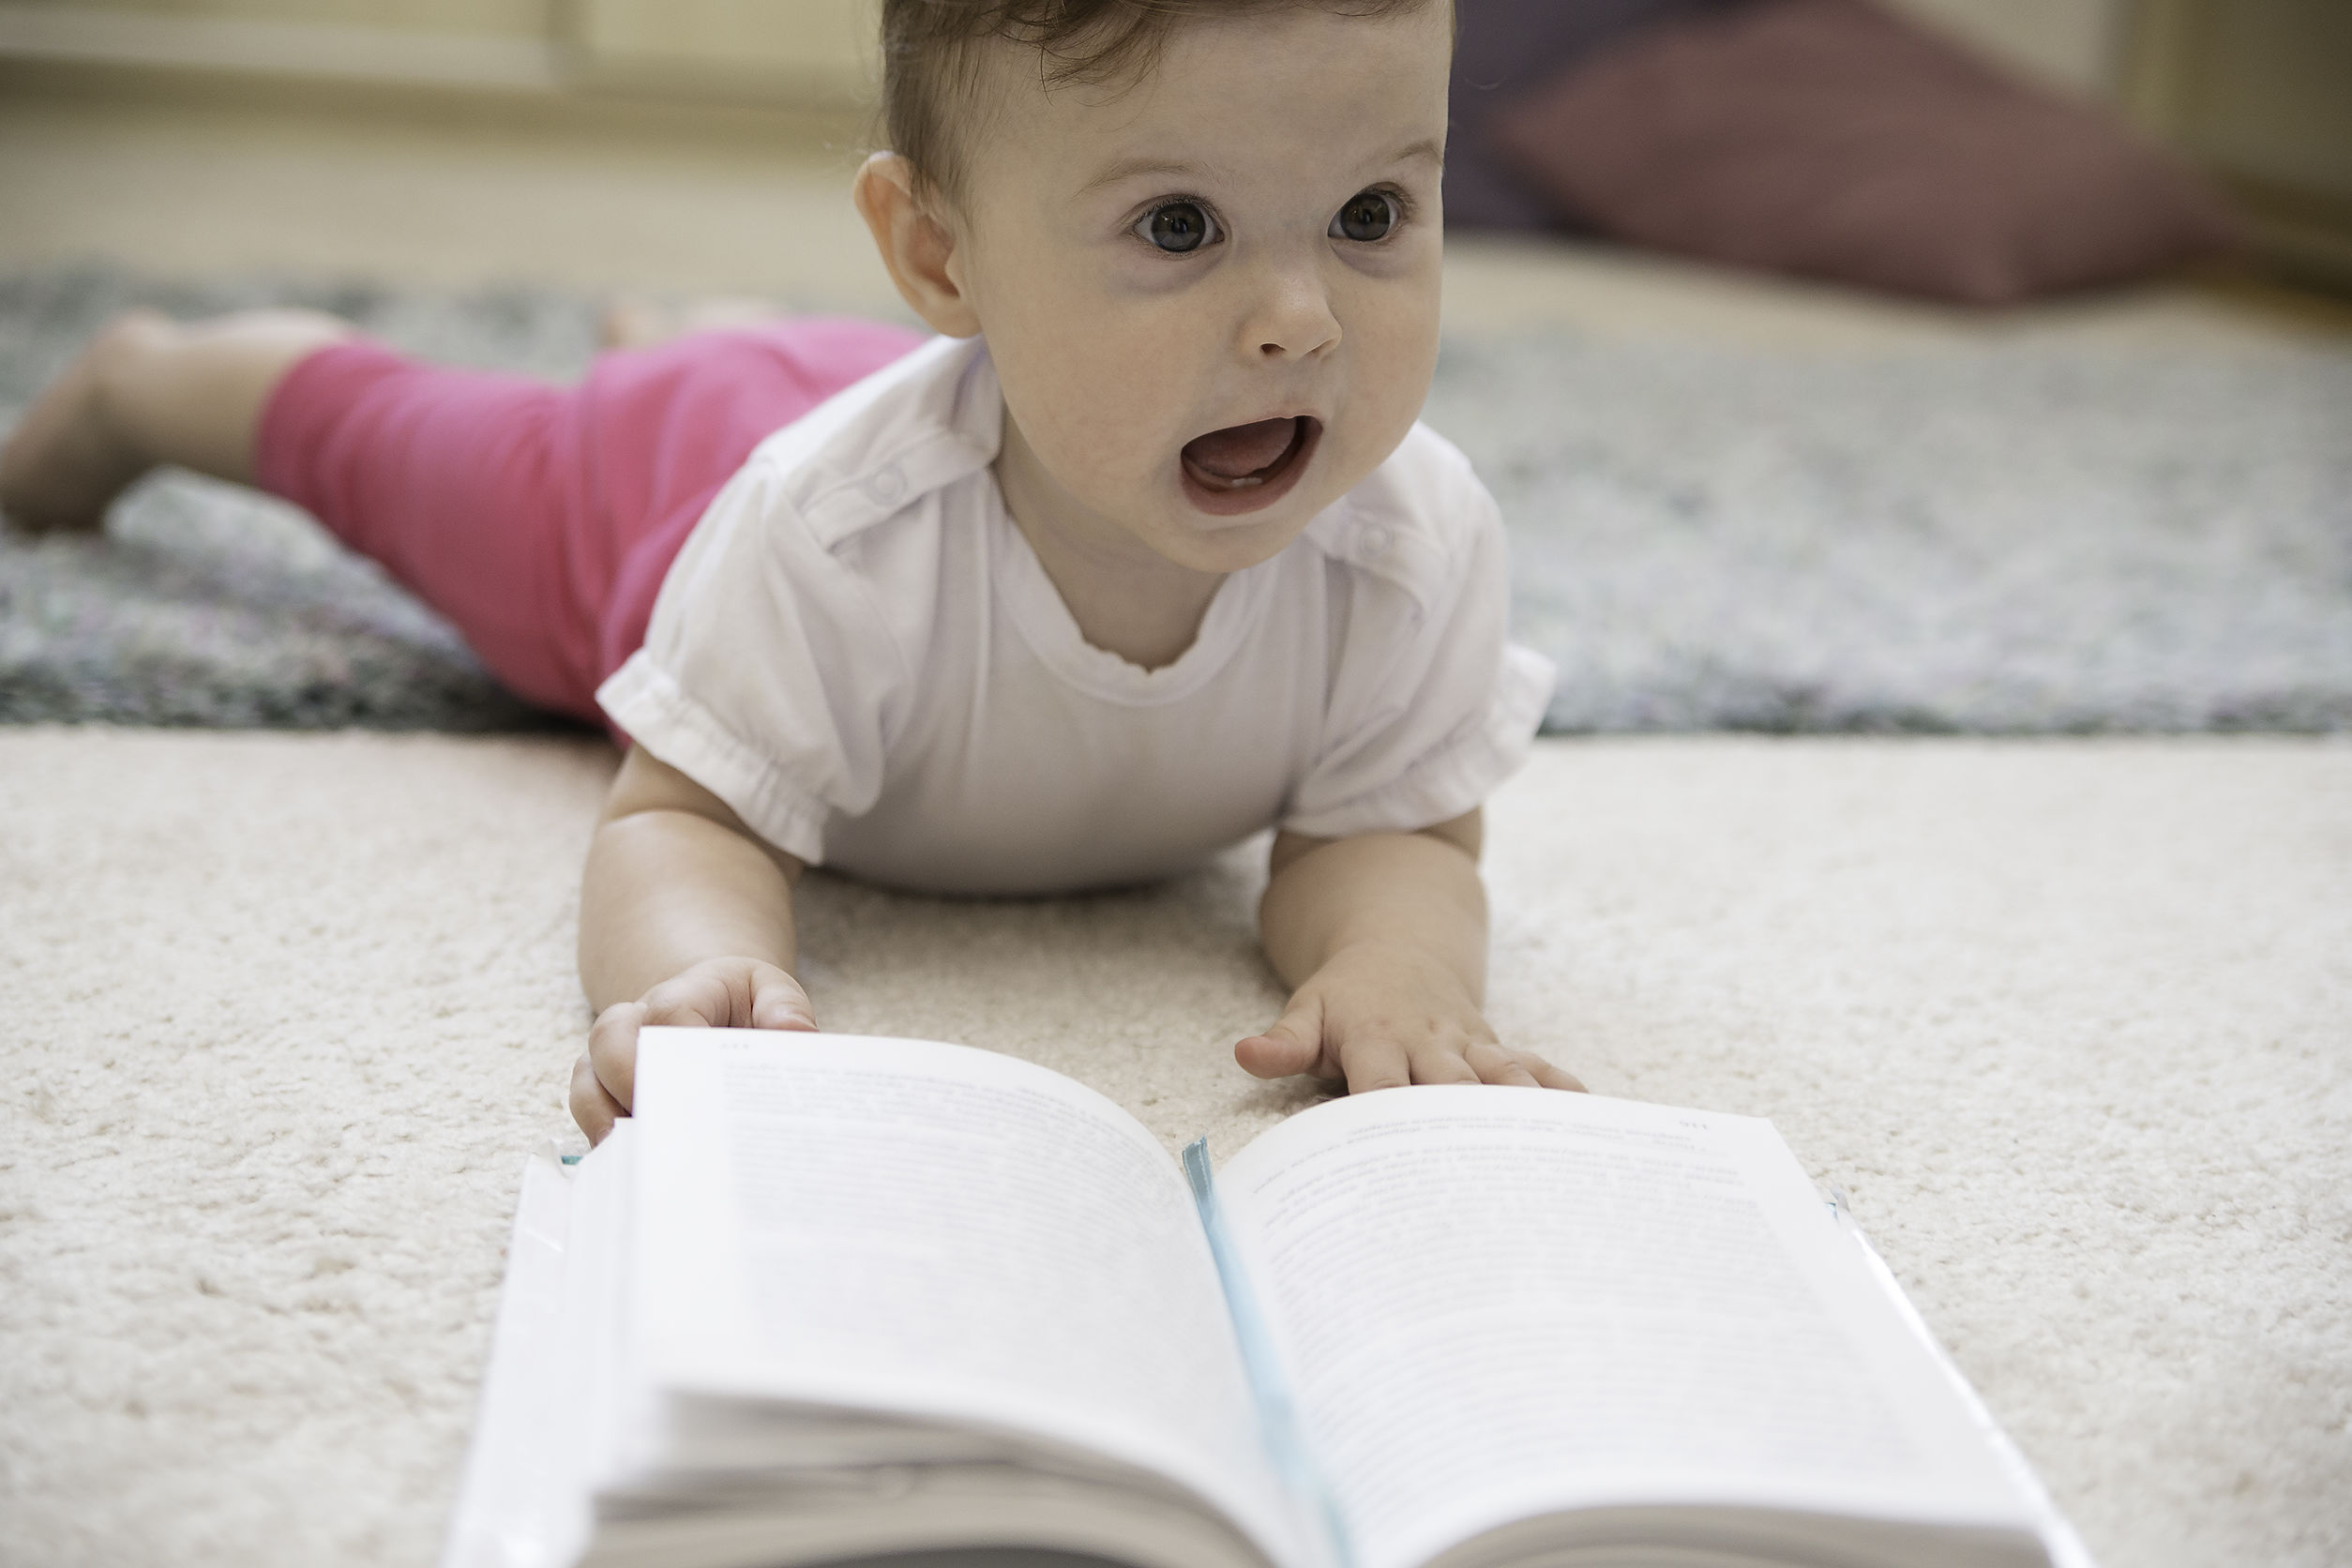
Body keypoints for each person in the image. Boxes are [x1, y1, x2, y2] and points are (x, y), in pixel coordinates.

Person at [0, 0, 1582, 1140]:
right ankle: (150, 380)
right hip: (666, 483)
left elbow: (1390, 830)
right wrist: (703, 972)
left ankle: (714, 329)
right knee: (386, 447)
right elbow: (685, 818)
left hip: (970, 397)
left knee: (913, 386)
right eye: (1180, 227)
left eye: (1372, 212)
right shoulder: (827, 535)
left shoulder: (1411, 543)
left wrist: (1394, 965)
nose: (1301, 321)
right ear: (941, 257)